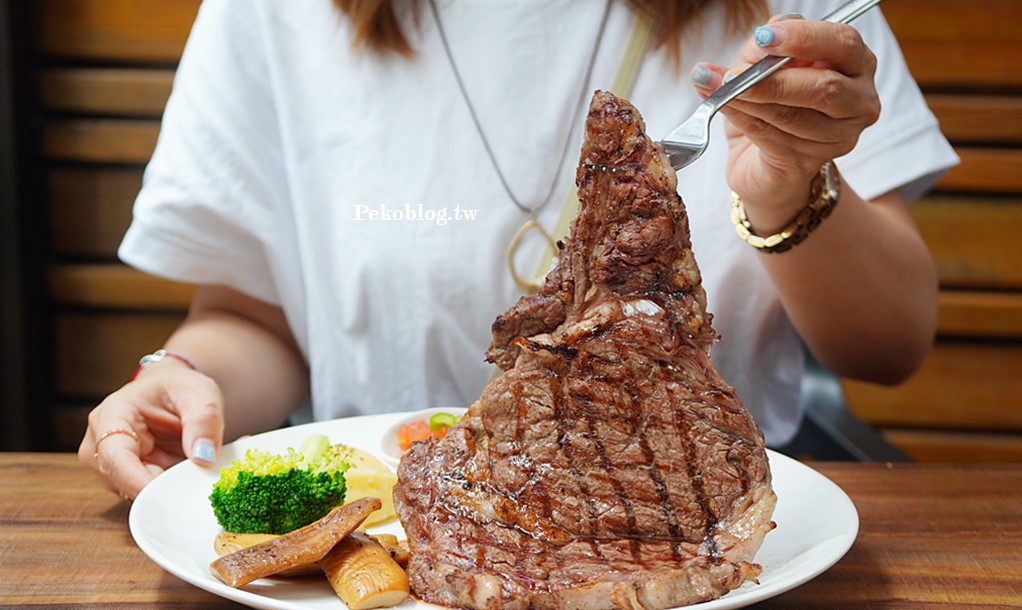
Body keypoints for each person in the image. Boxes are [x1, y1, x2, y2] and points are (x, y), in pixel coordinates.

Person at [79, 0, 957, 499]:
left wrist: (790, 191)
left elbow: (890, 345)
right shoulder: (274, 15)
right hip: (393, 529)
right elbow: (251, 317)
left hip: (701, 533)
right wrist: (187, 381)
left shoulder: (788, 19)